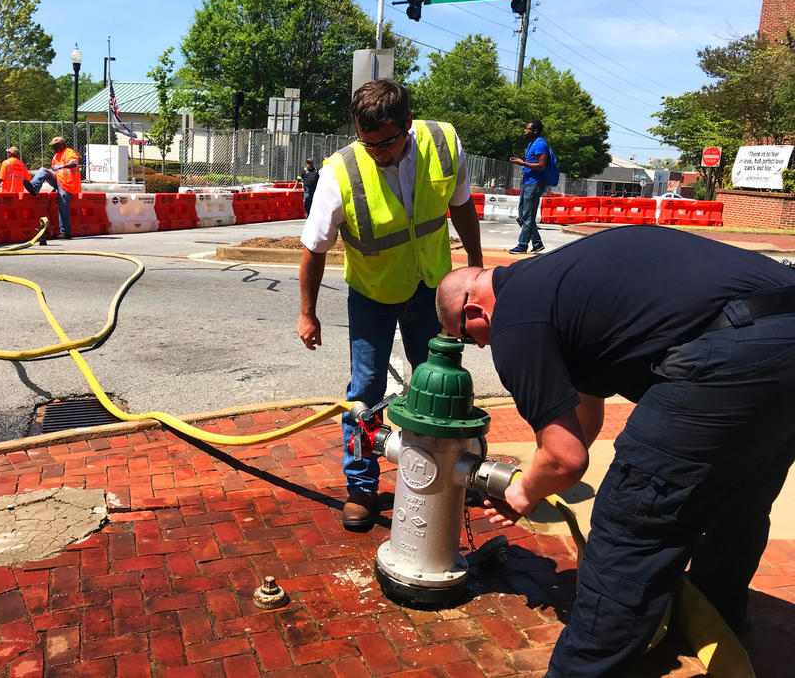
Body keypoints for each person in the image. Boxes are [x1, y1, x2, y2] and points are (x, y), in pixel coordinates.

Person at [435, 225, 795, 677]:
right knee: (739, 496)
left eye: (469, 338)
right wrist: (537, 476)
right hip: (783, 323)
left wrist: (525, 493)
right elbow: (584, 424)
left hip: (732, 348)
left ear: (473, 312)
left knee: (632, 522)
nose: (482, 346)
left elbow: (567, 458)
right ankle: (716, 615)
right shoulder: (556, 283)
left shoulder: (515, 319)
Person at [298, 79, 483, 531]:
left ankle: (444, 473)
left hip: (431, 288)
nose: (375, 151)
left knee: (439, 384)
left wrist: (476, 270)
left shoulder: (443, 142)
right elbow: (313, 248)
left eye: (384, 143)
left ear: (408, 124)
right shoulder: (340, 172)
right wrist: (308, 312)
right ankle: (361, 487)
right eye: (366, 141)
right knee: (365, 392)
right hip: (373, 294)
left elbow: (461, 207)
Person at [22, 136, 80, 240]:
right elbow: (55, 171)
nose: (53, 148)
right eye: (53, 146)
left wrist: (63, 166)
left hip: (68, 184)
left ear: (62, 145)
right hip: (58, 181)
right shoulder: (55, 156)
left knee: (63, 205)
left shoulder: (69, 152)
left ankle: (65, 232)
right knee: (43, 170)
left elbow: (74, 163)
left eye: (55, 146)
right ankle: (34, 188)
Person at [508, 120, 549, 255]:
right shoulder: (531, 144)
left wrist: (522, 163)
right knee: (523, 215)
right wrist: (521, 162)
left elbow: (541, 165)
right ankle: (537, 244)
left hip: (534, 183)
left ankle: (522, 245)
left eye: (527, 129)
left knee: (527, 215)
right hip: (527, 183)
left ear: (535, 131)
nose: (525, 131)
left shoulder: (541, 144)